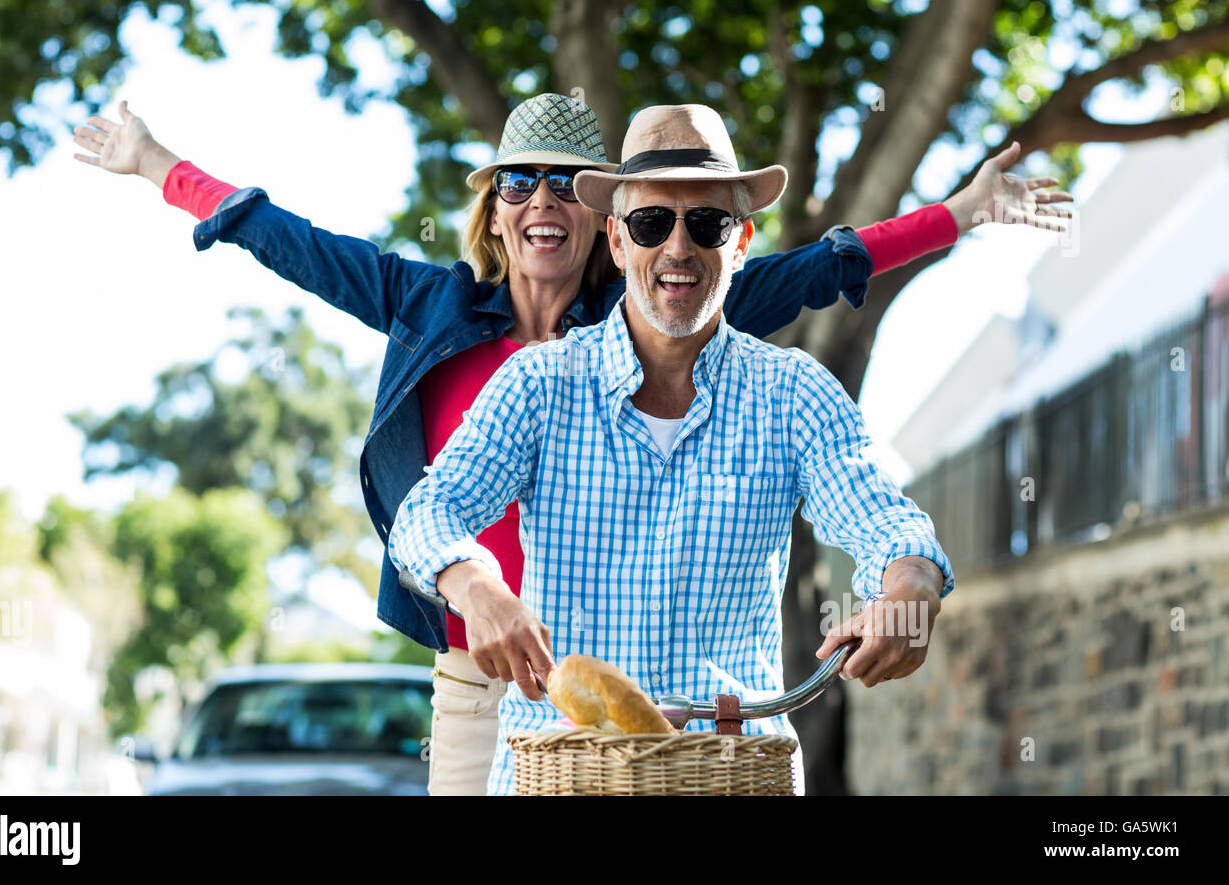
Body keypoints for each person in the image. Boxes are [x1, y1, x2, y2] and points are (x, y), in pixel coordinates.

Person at [72, 93, 1070, 794]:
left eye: (562, 181)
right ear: (508, 211)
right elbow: (287, 241)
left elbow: (828, 276)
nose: (542, 199)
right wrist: (161, 166)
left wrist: (963, 215)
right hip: (501, 682)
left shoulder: (718, 325)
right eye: (519, 184)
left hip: (719, 742)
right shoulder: (446, 317)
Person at [387, 102, 966, 795]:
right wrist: (475, 585)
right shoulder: (541, 382)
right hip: (561, 772)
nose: (679, 248)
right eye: (652, 222)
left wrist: (909, 588)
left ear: (743, 240)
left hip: (731, 771)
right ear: (618, 240)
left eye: (708, 223)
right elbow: (427, 512)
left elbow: (884, 521)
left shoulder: (793, 392)